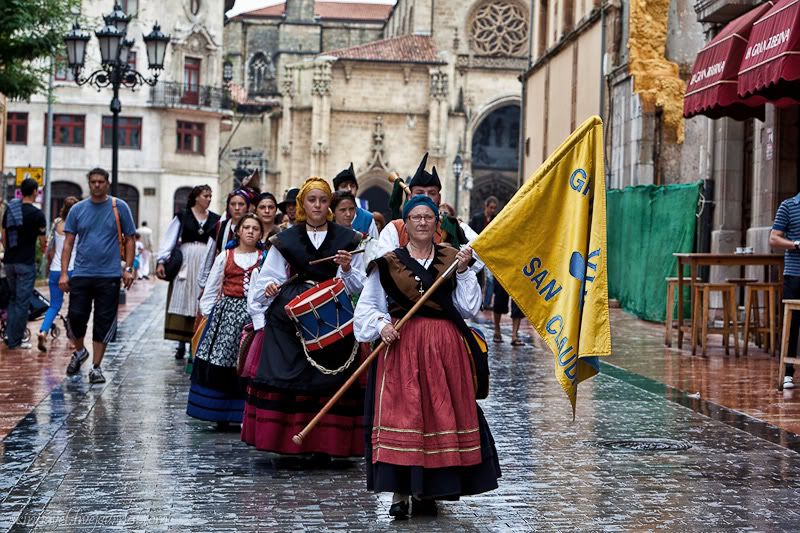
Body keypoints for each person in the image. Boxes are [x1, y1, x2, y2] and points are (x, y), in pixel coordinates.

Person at [354, 195, 500, 519]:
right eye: (415, 217)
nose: (422, 222)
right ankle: (400, 491)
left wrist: (463, 272)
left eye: (428, 217)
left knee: (438, 416)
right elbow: (367, 307)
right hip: (401, 348)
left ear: (437, 224)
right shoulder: (389, 262)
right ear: (405, 224)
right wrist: (382, 325)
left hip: (444, 350)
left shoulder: (452, 257)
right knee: (403, 417)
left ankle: (428, 490)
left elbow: (468, 308)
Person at [243, 177, 365, 462]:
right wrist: (270, 288)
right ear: (302, 204)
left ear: (329, 205)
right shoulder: (285, 239)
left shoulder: (348, 238)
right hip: (291, 314)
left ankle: (327, 444)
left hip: (332, 312)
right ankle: (289, 443)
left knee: (327, 377)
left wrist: (346, 269)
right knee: (292, 375)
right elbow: (270, 277)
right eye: (312, 200)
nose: (318, 206)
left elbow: (358, 285)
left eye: (323, 200)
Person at [188, 214, 264, 428]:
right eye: (246, 227)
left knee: (248, 363)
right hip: (226, 315)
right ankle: (219, 412)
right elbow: (212, 288)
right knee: (223, 361)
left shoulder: (264, 257)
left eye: (255, 228)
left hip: (253, 316)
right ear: (238, 231)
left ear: (260, 233)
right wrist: (210, 315)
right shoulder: (226, 256)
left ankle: (244, 413)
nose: (250, 231)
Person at [61, 168, 136, 384]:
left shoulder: (119, 206)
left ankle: (96, 367)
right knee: (75, 318)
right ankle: (79, 351)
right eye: (93, 182)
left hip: (109, 274)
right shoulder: (77, 209)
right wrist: (64, 273)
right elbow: (68, 243)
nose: (96, 185)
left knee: (103, 322)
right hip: (82, 273)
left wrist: (128, 269)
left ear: (107, 183)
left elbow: (129, 238)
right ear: (88, 183)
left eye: (100, 182)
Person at [376, 153, 483, 274]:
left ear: (439, 198)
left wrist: (454, 253)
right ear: (410, 196)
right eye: (420, 192)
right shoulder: (394, 229)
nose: (426, 198)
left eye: (432, 193)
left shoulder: (457, 227)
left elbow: (480, 261)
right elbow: (384, 267)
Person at [156, 185, 220, 359]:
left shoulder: (216, 219)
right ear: (196, 197)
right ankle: (180, 342)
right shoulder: (183, 216)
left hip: (204, 261)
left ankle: (196, 340)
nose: (208, 199)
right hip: (185, 261)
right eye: (205, 195)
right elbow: (169, 238)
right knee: (183, 297)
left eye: (210, 196)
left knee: (198, 299)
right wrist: (161, 260)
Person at [2, 178, 47, 350]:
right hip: (25, 263)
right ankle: (15, 339)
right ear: (35, 191)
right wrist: (45, 247)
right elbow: (43, 243)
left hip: (9, 262)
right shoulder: (37, 215)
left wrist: (10, 253)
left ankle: (9, 334)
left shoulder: (10, 211)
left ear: (21, 191)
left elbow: (4, 237)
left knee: (13, 299)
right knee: (22, 302)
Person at [38, 196, 79, 352]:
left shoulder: (56, 223)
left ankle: (43, 331)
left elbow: (49, 248)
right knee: (76, 305)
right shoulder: (79, 224)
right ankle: (74, 338)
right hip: (74, 270)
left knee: (54, 305)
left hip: (56, 270)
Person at [770, 196, 800, 389]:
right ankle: (788, 373)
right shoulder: (788, 205)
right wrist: (796, 244)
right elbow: (774, 238)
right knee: (793, 323)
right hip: (795, 273)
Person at [198, 188, 253, 290]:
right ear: (228, 206)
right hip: (222, 281)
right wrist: (204, 284)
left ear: (247, 207)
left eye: (241, 204)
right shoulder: (219, 227)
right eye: (233, 204)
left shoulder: (253, 227)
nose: (237, 208)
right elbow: (209, 255)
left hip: (246, 282)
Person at [332, 163, 379, 240]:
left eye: (352, 186)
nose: (349, 189)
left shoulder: (367, 218)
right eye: (344, 186)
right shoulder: (328, 218)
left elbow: (375, 247)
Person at [469, 196, 499, 312]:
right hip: (477, 253)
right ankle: (477, 302)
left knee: (490, 280)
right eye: (491, 207)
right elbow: (470, 232)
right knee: (477, 278)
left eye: (494, 208)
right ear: (486, 206)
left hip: (490, 253)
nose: (492, 210)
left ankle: (487, 303)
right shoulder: (477, 218)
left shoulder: (496, 219)